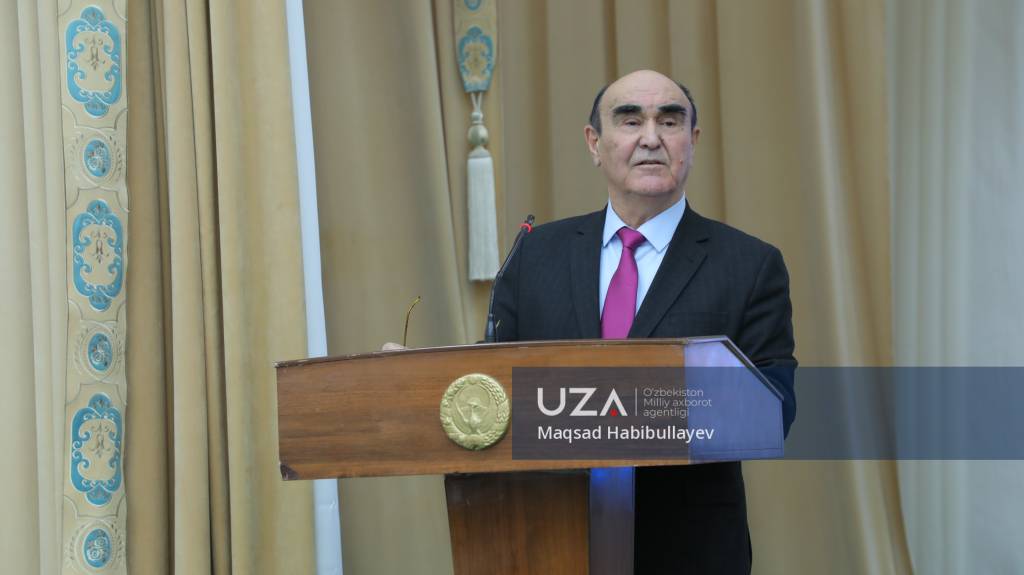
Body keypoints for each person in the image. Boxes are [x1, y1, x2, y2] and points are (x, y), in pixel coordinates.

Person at [490, 70, 797, 573]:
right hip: (548, 537)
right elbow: (494, 385)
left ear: (692, 141)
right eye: (630, 120)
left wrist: (618, 408)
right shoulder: (534, 255)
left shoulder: (749, 264)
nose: (651, 138)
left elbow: (772, 410)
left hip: (687, 547)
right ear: (595, 143)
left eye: (669, 122)